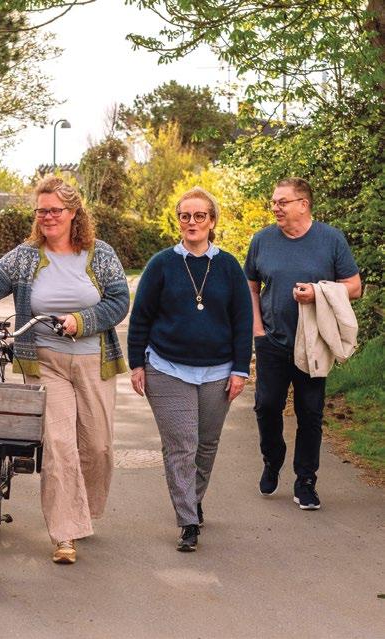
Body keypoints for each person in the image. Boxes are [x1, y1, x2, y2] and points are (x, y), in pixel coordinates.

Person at [0, 176, 129, 564]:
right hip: (45, 361)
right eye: (41, 210)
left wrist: (81, 320)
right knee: (59, 445)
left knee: (97, 446)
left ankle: (84, 510)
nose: (47, 217)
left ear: (73, 213)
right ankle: (65, 533)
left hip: (93, 360)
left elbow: (119, 302)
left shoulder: (100, 254)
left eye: (56, 210)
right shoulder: (25, 256)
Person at [127, 187, 252, 552]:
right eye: (185, 216)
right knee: (182, 445)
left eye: (200, 216)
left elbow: (242, 321)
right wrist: (137, 364)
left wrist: (240, 369)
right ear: (178, 221)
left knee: (206, 445)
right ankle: (187, 521)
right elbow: (141, 317)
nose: (192, 222)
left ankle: (193, 499)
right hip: (167, 368)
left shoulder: (228, 266)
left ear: (212, 221)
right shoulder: (161, 264)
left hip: (218, 371)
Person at [245, 177, 360, 510]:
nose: (275, 207)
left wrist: (318, 292)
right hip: (272, 340)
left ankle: (306, 481)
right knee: (266, 406)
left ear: (303, 205)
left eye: (282, 202)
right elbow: (250, 285)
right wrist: (257, 329)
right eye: (274, 202)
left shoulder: (330, 239)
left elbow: (354, 286)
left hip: (314, 342)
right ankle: (273, 458)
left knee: (310, 412)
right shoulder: (262, 240)